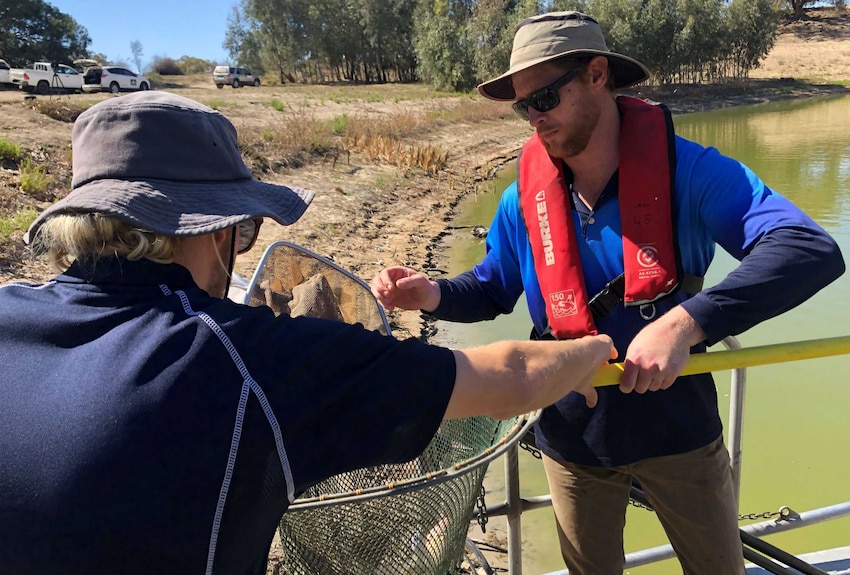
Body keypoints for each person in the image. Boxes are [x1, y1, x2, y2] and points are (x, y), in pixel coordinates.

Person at [0, 91, 616, 575]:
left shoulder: (8, 313)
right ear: (215, 231)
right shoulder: (245, 359)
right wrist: (589, 352)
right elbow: (506, 378)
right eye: (243, 234)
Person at [371, 11, 845, 575]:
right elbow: (493, 288)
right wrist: (433, 296)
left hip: (679, 427)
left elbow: (806, 248)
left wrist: (685, 323)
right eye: (524, 107)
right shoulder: (521, 201)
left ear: (597, 74)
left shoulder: (690, 173)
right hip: (571, 433)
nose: (534, 120)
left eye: (545, 98)